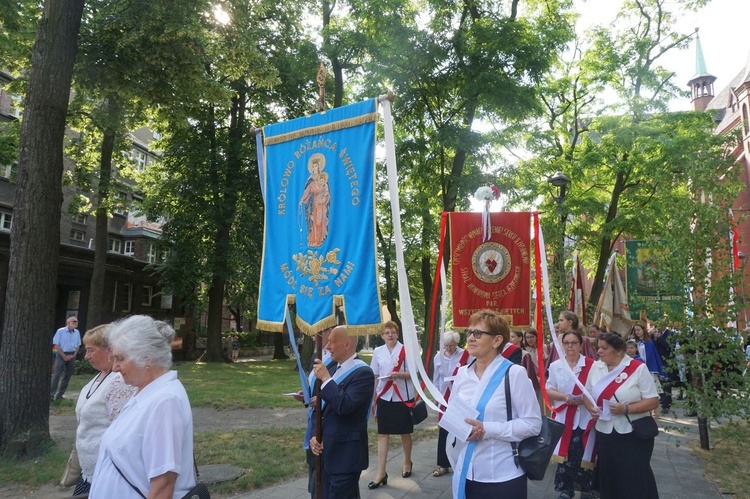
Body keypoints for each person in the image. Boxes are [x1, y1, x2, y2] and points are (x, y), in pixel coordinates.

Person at [89, 316, 196, 498]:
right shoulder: (145, 392)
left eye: (120, 358)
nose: (115, 367)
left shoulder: (165, 401)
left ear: (147, 358)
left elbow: (163, 484)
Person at [450, 309, 542, 498]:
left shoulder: (514, 374)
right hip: (466, 472)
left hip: (502, 475)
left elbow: (533, 424)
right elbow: (455, 415)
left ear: (497, 340)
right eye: (469, 333)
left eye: (477, 333)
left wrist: (487, 429)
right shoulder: (462, 374)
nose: (470, 338)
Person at [585, 333, 660, 499]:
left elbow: (653, 401)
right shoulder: (596, 367)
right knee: (610, 476)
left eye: (604, 348)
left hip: (633, 433)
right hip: (606, 433)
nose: (599, 351)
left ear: (618, 351)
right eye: (599, 347)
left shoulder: (638, 368)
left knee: (634, 477)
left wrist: (625, 409)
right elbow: (587, 394)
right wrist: (591, 408)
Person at [309, 326, 373, 498]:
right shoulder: (332, 370)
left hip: (345, 457)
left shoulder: (363, 373)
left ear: (347, 344)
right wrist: (316, 436)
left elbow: (345, 406)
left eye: (332, 341)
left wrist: (325, 379)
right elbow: (323, 411)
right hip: (325, 452)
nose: (328, 346)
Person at [73, 324, 136, 495]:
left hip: (107, 472)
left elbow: (122, 430)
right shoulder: (99, 377)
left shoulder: (118, 381)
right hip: (88, 471)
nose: (86, 356)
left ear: (109, 351)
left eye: (90, 350)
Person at [546, 330, 596, 499]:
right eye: (566, 343)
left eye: (574, 343)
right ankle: (566, 489)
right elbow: (549, 389)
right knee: (565, 454)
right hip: (564, 417)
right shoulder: (555, 366)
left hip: (585, 417)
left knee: (584, 453)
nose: (570, 346)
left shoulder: (592, 365)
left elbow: (597, 390)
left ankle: (586, 489)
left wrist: (584, 399)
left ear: (581, 345)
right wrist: (565, 397)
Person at [369, 321, 415, 488]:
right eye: (387, 332)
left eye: (393, 332)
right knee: (382, 434)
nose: (390, 335)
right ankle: (381, 473)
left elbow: (414, 374)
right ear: (382, 336)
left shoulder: (406, 350)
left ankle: (407, 462)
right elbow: (374, 375)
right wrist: (374, 399)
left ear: (397, 334)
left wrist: (399, 374)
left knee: (404, 433)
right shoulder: (377, 352)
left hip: (402, 397)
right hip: (384, 397)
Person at [294, 328, 335, 498]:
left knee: (324, 472)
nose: (312, 337)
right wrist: (306, 395)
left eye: (317, 333)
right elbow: (315, 387)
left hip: (328, 420)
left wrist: (322, 399)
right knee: (313, 466)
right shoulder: (316, 356)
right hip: (314, 418)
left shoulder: (337, 358)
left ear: (329, 332)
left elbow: (337, 391)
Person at [432, 330, 471, 477]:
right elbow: (436, 378)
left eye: (452, 345)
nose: (449, 348)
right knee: (443, 430)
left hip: (460, 397)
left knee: (460, 429)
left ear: (457, 344)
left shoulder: (465, 355)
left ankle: (460, 461)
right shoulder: (438, 357)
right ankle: (443, 464)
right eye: (447, 345)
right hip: (444, 397)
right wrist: (436, 396)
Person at [629, 323, 664, 416]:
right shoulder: (633, 342)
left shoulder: (649, 342)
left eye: (639, 330)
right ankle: (645, 409)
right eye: (635, 330)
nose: (637, 332)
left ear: (643, 330)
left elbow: (652, 355)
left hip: (648, 368)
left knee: (652, 388)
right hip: (637, 367)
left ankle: (655, 411)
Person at [299, 152, 331, 248]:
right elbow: (307, 191)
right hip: (312, 205)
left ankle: (320, 240)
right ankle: (313, 241)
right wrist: (302, 200)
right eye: (313, 167)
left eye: (316, 166)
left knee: (320, 222)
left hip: (321, 205)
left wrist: (324, 199)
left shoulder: (323, 179)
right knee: (313, 222)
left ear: (319, 167)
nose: (314, 168)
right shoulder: (310, 180)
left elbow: (327, 193)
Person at [51, 316, 82, 401]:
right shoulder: (60, 331)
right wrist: (64, 356)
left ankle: (60, 395)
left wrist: (74, 355)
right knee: (57, 374)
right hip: (61, 354)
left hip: (71, 354)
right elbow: (56, 345)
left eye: (76, 322)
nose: (75, 323)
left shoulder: (77, 332)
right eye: (74, 322)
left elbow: (78, 345)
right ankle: (51, 395)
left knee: (67, 375)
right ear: (68, 323)